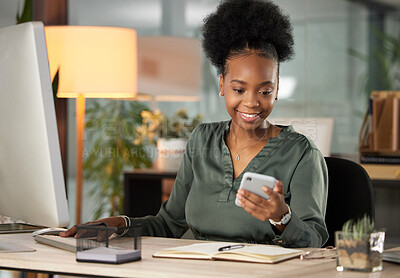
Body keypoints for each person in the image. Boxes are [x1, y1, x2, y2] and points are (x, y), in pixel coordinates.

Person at [61, 0, 329, 248]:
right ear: (222, 84)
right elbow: (168, 224)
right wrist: (119, 224)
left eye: (265, 91)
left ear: (277, 89)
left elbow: (315, 240)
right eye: (239, 89)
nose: (252, 103)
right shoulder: (203, 139)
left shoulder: (301, 154)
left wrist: (282, 217)